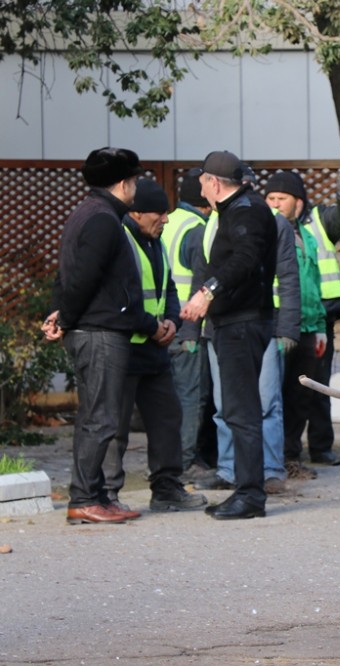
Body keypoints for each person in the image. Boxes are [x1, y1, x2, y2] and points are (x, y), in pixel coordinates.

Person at [44, 147, 148, 524]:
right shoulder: (104, 219)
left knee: (97, 415)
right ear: (122, 183)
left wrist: (59, 314)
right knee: (101, 419)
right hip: (100, 331)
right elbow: (84, 277)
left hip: (92, 327)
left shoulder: (86, 214)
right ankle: (86, 498)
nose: (137, 186)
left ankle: (96, 495)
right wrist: (66, 316)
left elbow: (66, 274)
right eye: (135, 180)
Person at [181, 150, 278, 520]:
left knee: (242, 411)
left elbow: (245, 258)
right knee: (238, 409)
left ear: (214, 183)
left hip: (241, 323)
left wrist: (207, 293)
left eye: (202, 179)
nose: (200, 185)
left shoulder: (245, 211)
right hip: (233, 322)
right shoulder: (234, 210)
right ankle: (247, 489)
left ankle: (250, 495)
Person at [102, 179, 208, 513]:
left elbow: (170, 290)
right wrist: (153, 327)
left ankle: (166, 490)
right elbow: (121, 297)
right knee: (114, 426)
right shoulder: (120, 241)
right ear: (135, 214)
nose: (165, 219)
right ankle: (106, 494)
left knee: (167, 419)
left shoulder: (155, 241)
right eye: (158, 214)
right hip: (125, 347)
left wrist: (174, 322)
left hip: (155, 347)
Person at [194, 169, 299, 495]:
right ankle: (229, 470)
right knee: (225, 405)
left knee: (265, 401)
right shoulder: (211, 223)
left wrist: (287, 326)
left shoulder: (269, 222)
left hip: (259, 323)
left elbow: (288, 276)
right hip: (218, 326)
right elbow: (202, 276)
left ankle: (268, 472)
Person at [264, 172, 335, 472]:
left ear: (298, 203)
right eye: (270, 198)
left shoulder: (307, 236)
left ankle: (292, 455)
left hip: (307, 326)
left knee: (300, 396)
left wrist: (319, 327)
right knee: (273, 394)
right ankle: (274, 458)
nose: (275, 204)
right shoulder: (266, 232)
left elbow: (314, 285)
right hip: (278, 322)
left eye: (281, 199)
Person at [294, 170, 340, 466]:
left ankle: (321, 447)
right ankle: (289, 451)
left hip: (322, 315)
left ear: (299, 201)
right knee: (289, 388)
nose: (277, 205)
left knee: (319, 383)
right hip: (288, 315)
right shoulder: (272, 225)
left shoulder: (318, 219)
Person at [162, 168, 214, 476]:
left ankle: (171, 457)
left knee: (168, 397)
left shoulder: (168, 222)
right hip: (189, 328)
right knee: (192, 396)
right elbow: (203, 283)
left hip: (163, 324)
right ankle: (186, 461)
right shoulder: (198, 229)